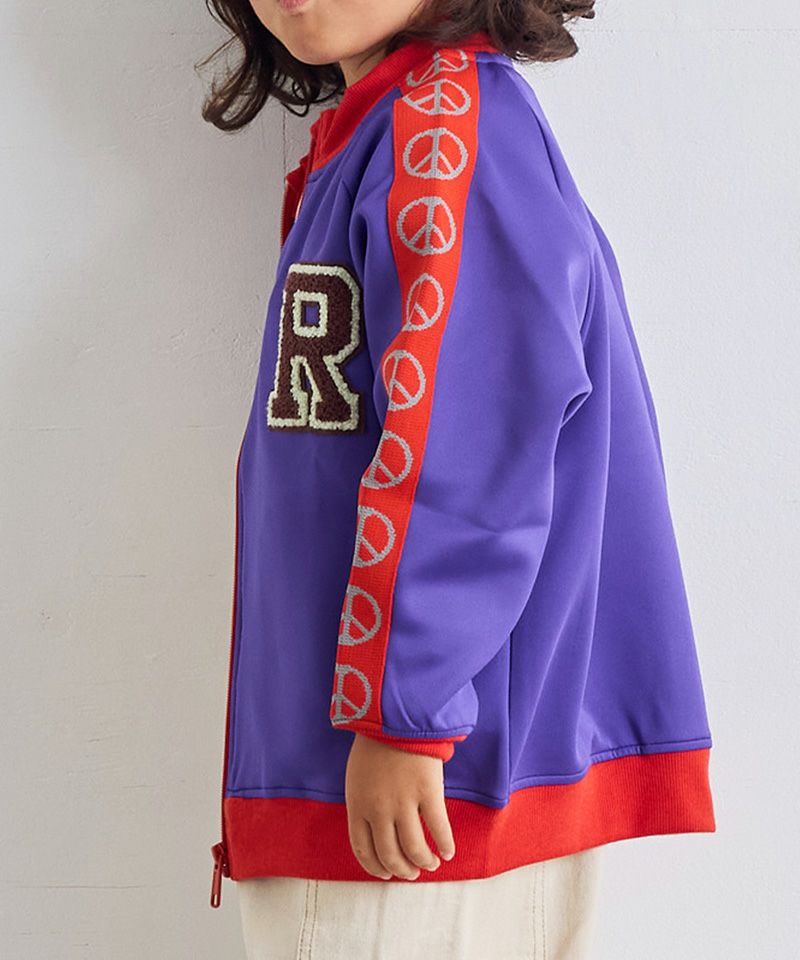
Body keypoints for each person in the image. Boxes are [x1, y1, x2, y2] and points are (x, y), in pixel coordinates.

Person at [199, 1, 717, 957]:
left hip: (422, 799)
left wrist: (408, 719)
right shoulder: (390, 132)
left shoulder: (445, 130)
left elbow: (472, 446)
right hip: (398, 783)